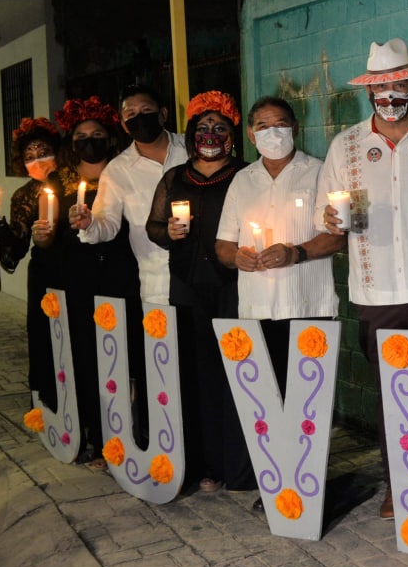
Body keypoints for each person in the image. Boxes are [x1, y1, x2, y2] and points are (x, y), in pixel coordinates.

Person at [317, 37, 408, 520]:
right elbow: (325, 214)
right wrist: (331, 219)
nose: (390, 94)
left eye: (399, 84)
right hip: (376, 291)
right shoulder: (346, 146)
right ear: (369, 93)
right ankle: (398, 484)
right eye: (381, 87)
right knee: (391, 392)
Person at [145, 90, 251, 493]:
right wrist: (168, 233)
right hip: (188, 287)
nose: (210, 134)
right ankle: (204, 464)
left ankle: (238, 463)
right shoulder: (174, 178)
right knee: (197, 372)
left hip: (233, 286)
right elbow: (153, 226)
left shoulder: (246, 175)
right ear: (191, 134)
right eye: (203, 127)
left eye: (219, 127)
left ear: (232, 135)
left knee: (236, 370)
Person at [71, 84, 187, 441]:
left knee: (201, 363)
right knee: (162, 366)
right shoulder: (118, 170)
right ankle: (162, 441)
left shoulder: (191, 148)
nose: (139, 118)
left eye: (146, 110)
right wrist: (89, 224)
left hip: (205, 274)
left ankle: (204, 449)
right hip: (155, 281)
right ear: (123, 125)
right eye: (130, 115)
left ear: (163, 113)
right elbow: (106, 223)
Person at [215, 96, 345, 385]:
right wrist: (236, 257)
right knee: (262, 398)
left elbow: (337, 238)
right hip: (255, 309)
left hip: (309, 307)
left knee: (309, 398)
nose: (272, 133)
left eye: (280, 125)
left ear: (295, 129)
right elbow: (223, 245)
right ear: (251, 134)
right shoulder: (242, 180)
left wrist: (296, 253)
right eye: (263, 126)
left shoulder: (320, 172)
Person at [47, 96, 139, 469]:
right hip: (79, 278)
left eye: (97, 134)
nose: (89, 141)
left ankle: (129, 432)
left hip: (121, 275)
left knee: (125, 353)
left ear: (110, 138)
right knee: (87, 355)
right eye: (81, 136)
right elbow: (50, 233)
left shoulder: (124, 174)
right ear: (72, 142)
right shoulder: (59, 182)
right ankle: (95, 436)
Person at [0, 116, 63, 411]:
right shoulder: (23, 195)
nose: (37, 161)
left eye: (43, 152)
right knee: (46, 340)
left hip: (77, 271)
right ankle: (50, 406)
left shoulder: (72, 183)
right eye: (29, 156)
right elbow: (15, 253)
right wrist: (6, 237)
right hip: (45, 274)